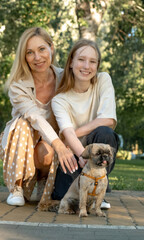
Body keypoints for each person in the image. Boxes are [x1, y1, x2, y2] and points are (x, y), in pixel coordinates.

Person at [0, 27, 77, 206]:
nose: (37, 57)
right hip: (18, 142)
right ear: (24, 57)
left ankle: (43, 180)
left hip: (48, 143)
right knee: (25, 123)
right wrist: (59, 145)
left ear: (51, 48)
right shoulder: (18, 85)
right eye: (30, 53)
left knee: (46, 151)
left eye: (41, 49)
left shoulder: (65, 78)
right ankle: (16, 188)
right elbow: (35, 118)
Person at [51, 39, 119, 209]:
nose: (86, 66)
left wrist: (85, 151)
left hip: (94, 152)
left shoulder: (103, 80)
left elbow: (108, 120)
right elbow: (67, 133)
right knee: (62, 196)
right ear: (71, 62)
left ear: (97, 66)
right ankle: (91, 186)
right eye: (81, 59)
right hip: (73, 156)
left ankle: (98, 190)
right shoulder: (60, 100)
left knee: (105, 133)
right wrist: (81, 155)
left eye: (92, 61)